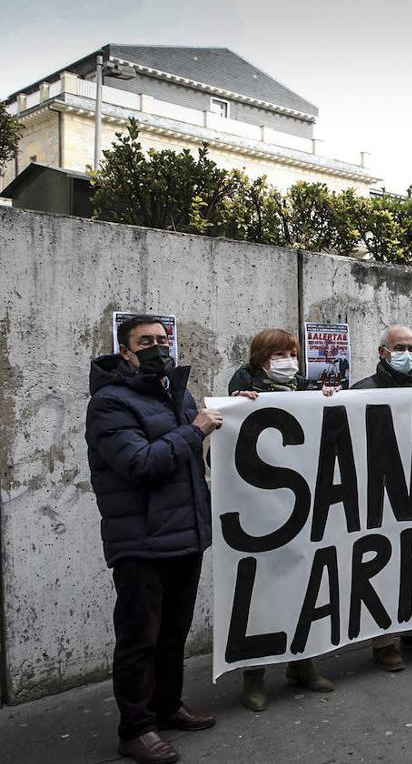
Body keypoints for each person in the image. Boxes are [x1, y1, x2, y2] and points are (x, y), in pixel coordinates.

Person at [86, 315, 219, 763]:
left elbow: (196, 448)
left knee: (172, 634)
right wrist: (195, 428)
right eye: (146, 341)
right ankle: (136, 728)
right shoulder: (109, 403)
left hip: (185, 534)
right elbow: (141, 463)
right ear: (125, 351)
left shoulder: (175, 394)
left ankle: (167, 706)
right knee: (139, 638)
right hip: (141, 541)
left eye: (163, 339)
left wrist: (241, 410)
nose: (158, 347)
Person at [228, 329, 339, 710]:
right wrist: (237, 407)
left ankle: (302, 664)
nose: (289, 359)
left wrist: (327, 402)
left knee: (303, 585)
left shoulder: (305, 388)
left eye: (292, 352)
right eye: (279, 353)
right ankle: (254, 676)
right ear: (260, 358)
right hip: (261, 510)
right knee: (259, 594)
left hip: (303, 508)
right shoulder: (241, 391)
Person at [350, 326, 412, 670]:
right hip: (380, 491)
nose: (406, 352)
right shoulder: (362, 391)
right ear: (383, 352)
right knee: (383, 567)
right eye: (399, 347)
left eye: (411, 347)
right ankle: (383, 643)